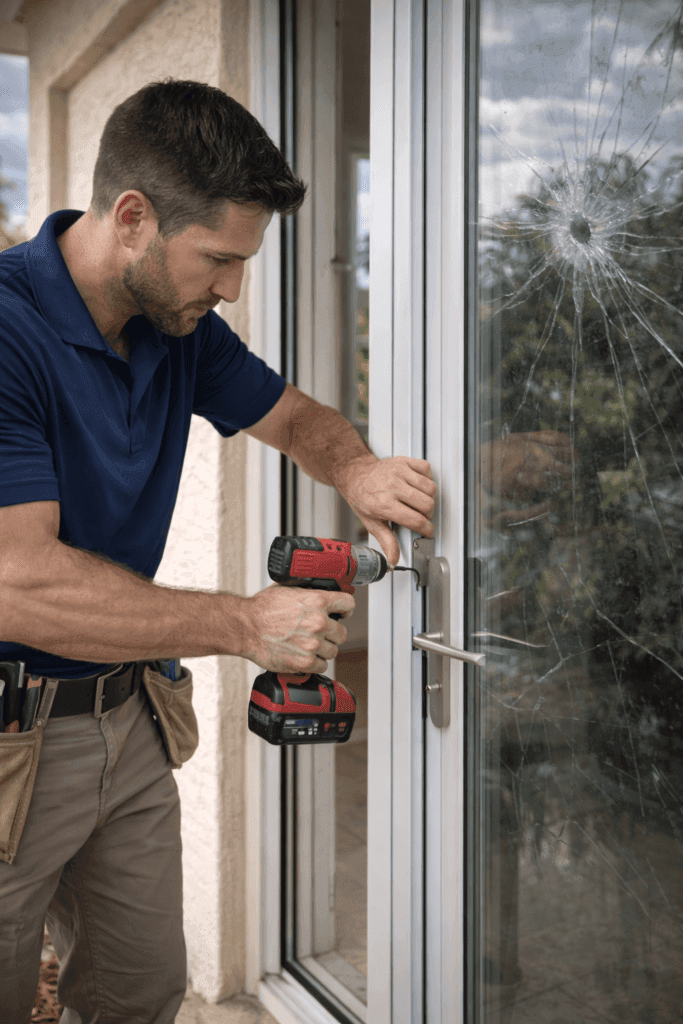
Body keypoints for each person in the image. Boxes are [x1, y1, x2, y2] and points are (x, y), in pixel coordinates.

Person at [0, 80, 436, 1023]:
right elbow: (18, 584)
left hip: (127, 715)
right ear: (132, 217)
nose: (232, 286)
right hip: (11, 736)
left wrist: (357, 470)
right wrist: (242, 624)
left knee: (139, 993)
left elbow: (294, 418)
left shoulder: (177, 327)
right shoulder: (6, 334)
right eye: (219, 260)